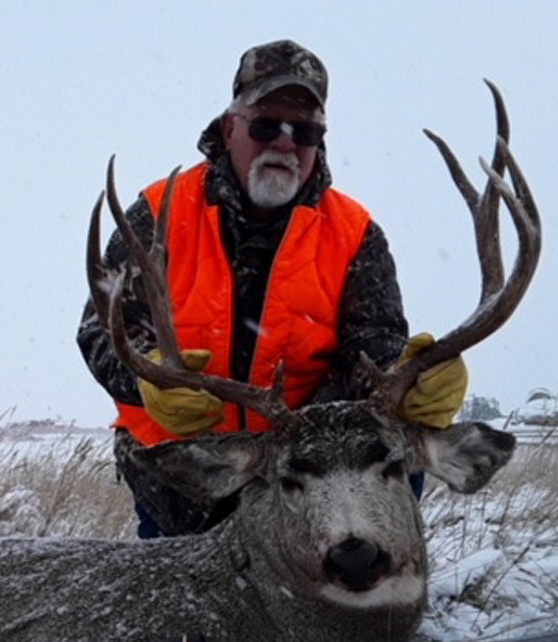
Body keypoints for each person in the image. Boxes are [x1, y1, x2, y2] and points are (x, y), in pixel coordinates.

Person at [77, 40, 467, 539]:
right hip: (185, 471)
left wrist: (408, 380)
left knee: (389, 460)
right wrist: (150, 380)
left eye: (305, 131)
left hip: (304, 467)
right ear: (229, 128)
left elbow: (372, 346)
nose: (285, 143)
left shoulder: (353, 233)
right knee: (193, 584)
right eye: (265, 125)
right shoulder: (158, 215)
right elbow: (102, 331)